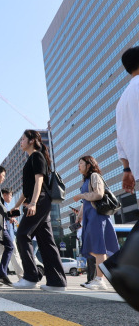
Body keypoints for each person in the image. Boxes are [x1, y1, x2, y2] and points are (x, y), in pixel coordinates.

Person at [105, 47, 139, 311]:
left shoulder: (122, 99)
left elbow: (120, 141)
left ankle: (118, 265)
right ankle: (123, 268)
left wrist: (127, 170)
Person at [12, 130, 67, 292]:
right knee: (46, 242)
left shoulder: (37, 156)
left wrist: (34, 203)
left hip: (41, 200)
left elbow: (39, 181)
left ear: (31, 141)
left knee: (23, 234)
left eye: (23, 139)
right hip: (39, 201)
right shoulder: (30, 159)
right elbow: (26, 189)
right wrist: (17, 206)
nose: (21, 142)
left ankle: (30, 276)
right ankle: (57, 282)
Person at [71, 156, 120, 290]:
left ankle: (100, 279)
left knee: (98, 248)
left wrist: (81, 196)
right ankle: (110, 271)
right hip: (90, 217)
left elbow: (98, 194)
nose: (78, 166)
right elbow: (86, 202)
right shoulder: (87, 179)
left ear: (89, 164)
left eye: (81, 163)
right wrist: (80, 216)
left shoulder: (94, 176)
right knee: (92, 248)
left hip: (97, 216)